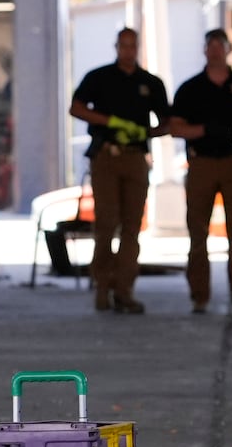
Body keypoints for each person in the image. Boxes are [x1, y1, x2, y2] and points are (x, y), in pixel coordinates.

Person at [68, 27, 171, 314]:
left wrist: (145, 132)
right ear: (116, 47)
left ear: (138, 47)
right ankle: (102, 285)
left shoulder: (150, 83)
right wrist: (111, 122)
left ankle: (124, 290)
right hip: (106, 156)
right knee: (105, 223)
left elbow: (167, 122)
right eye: (123, 45)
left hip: (136, 156)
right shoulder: (99, 77)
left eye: (132, 45)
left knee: (131, 227)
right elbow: (76, 108)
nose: (127, 50)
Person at [168, 29, 232, 315]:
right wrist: (204, 130)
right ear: (204, 50)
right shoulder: (191, 88)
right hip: (201, 162)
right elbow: (174, 127)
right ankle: (199, 295)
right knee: (197, 232)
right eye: (210, 45)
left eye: (220, 45)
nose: (215, 50)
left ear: (228, 49)